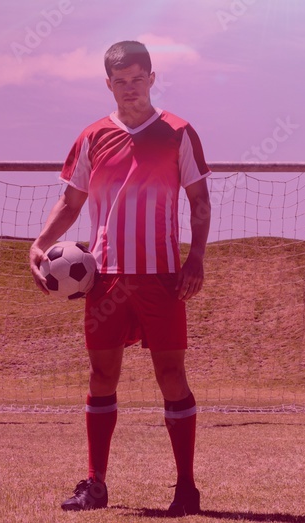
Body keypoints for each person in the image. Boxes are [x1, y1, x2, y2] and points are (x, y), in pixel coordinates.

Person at [28, 40, 211, 516]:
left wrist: (197, 259)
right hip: (105, 277)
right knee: (102, 374)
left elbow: (200, 201)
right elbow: (71, 203)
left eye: (138, 78)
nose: (130, 89)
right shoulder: (92, 136)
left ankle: (186, 488)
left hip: (162, 277)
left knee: (171, 376)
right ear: (108, 84)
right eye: (120, 81)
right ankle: (95, 484)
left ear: (152, 78)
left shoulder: (178, 132)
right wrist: (38, 243)